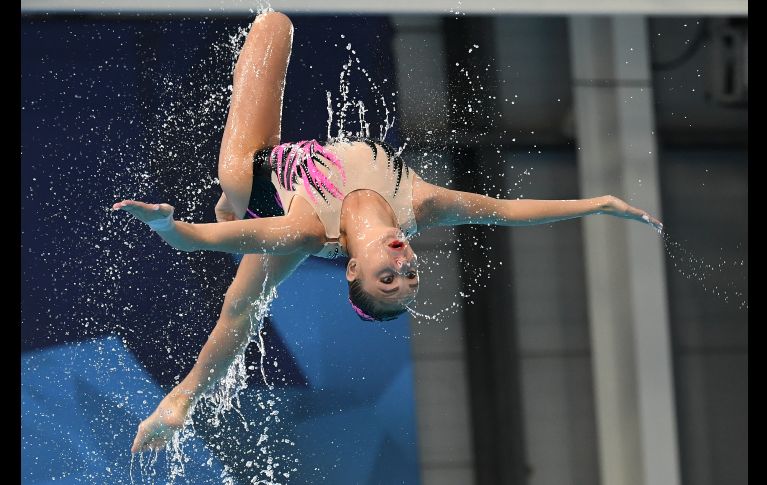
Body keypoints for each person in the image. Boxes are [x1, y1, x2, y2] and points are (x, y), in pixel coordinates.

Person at [114, 11, 662, 453]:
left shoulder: (305, 233)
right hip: (291, 178)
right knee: (281, 25)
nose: (402, 264)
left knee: (267, 25)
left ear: (353, 268)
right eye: (410, 276)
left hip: (254, 174)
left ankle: (182, 398)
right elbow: (505, 210)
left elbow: (195, 241)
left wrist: (168, 222)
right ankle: (233, 224)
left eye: (386, 278)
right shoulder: (421, 205)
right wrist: (598, 204)